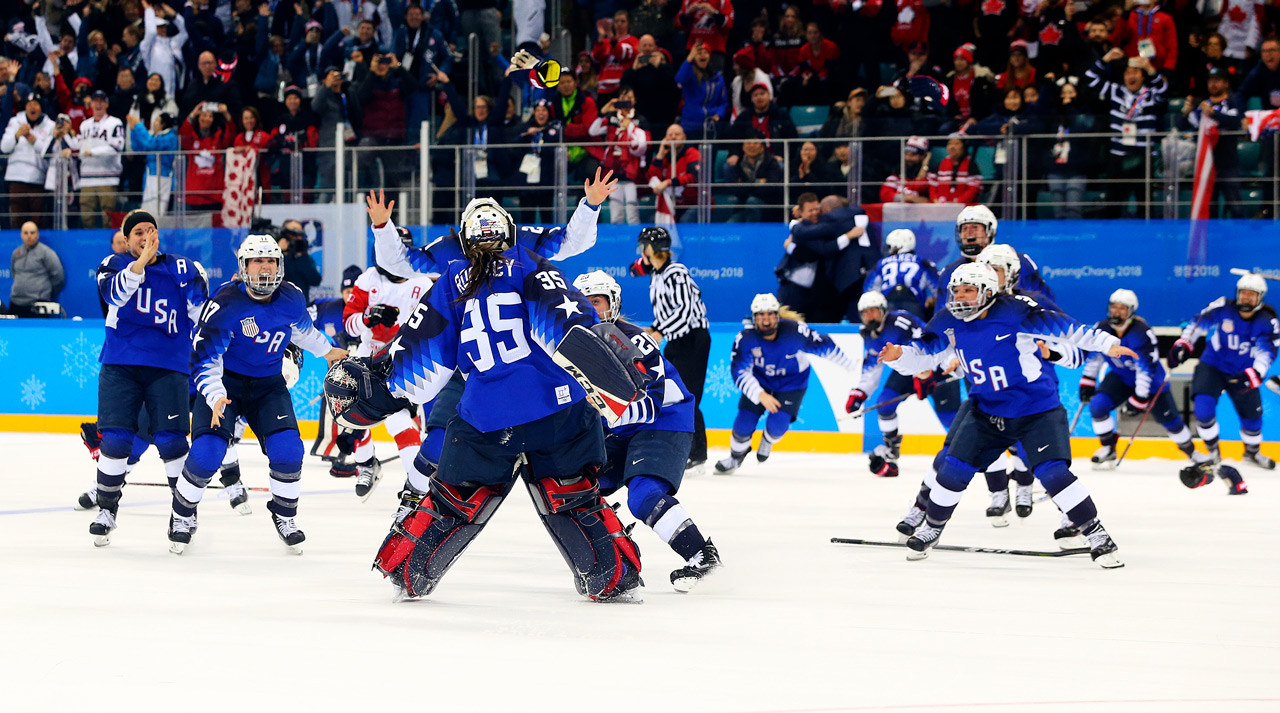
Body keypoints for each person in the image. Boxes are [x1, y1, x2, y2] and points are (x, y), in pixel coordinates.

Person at [327, 189, 647, 603]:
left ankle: (407, 570)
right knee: (572, 493)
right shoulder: (532, 264)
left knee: (454, 500)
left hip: (486, 413)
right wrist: (606, 357)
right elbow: (569, 322)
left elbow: (420, 365)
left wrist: (382, 388)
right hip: (560, 408)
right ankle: (614, 573)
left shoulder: (447, 282)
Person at [879, 263, 1134, 568]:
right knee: (953, 469)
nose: (960, 297)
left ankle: (1096, 534)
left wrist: (1110, 344)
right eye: (956, 290)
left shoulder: (1016, 313)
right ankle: (933, 526)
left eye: (968, 291)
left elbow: (1069, 330)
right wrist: (899, 358)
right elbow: (924, 353)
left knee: (1053, 473)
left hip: (1035, 410)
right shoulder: (949, 320)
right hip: (986, 409)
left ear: (988, 292)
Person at [177, 234, 347, 555]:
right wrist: (214, 395)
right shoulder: (223, 303)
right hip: (225, 385)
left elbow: (302, 332)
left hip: (268, 385)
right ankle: (182, 515)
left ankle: (285, 516)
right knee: (207, 453)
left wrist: (327, 351)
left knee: (288, 451)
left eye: (270, 260)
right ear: (243, 267)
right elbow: (205, 358)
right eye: (258, 260)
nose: (265, 267)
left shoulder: (291, 297)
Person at [573, 270, 723, 592]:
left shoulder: (633, 340)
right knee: (580, 489)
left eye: (596, 301)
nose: (589, 308)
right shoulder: (573, 348)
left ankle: (703, 556)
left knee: (643, 495)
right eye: (583, 302)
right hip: (622, 428)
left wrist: (604, 415)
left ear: (612, 304)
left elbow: (653, 400)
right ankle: (613, 559)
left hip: (663, 421)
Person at [88, 210, 207, 546]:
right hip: (120, 362)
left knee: (171, 441)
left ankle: (184, 515)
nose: (146, 236)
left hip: (169, 365)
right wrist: (139, 262)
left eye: (151, 230)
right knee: (115, 439)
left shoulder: (184, 269)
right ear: (126, 240)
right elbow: (115, 296)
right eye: (138, 232)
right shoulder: (112, 264)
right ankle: (107, 510)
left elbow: (203, 316)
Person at [716, 293, 859, 474]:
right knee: (743, 424)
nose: (765, 319)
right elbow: (739, 372)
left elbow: (825, 346)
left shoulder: (795, 332)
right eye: (760, 315)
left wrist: (851, 365)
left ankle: (767, 441)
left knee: (778, 425)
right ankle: (735, 458)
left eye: (769, 314)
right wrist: (760, 394)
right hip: (761, 383)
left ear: (777, 316)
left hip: (792, 383)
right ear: (754, 318)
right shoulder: (745, 339)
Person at [340, 227, 435, 499]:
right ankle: (367, 463)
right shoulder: (368, 279)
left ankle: (419, 487)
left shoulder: (424, 284)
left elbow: (433, 328)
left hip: (403, 363)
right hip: (366, 358)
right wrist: (368, 318)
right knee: (351, 418)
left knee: (400, 423)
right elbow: (349, 325)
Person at [1168, 273, 1278, 470]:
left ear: (1260, 297)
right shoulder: (1223, 307)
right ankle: (1213, 451)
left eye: (1252, 295)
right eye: (1243, 294)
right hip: (1213, 365)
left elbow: (1267, 353)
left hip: (1244, 372)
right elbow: (1196, 324)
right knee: (1203, 408)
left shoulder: (1266, 321)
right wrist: (1183, 344)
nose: (1246, 298)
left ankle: (1252, 453)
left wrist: (1254, 374)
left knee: (1252, 420)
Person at [1080, 289, 1199, 469]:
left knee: (1171, 422)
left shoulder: (1141, 332)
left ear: (1131, 311)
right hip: (1121, 378)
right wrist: (1088, 381)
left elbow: (1145, 370)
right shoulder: (1101, 328)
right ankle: (1108, 448)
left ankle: (1193, 453)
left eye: (1122, 308)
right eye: (1114, 307)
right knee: (1097, 405)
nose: (1117, 312)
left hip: (1151, 383)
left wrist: (1140, 398)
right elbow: (1094, 357)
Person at [849, 290, 959, 471]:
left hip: (938, 366)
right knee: (884, 404)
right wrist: (860, 392)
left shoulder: (901, 321)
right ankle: (892, 447)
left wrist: (935, 369)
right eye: (865, 313)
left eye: (874, 310)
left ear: (884, 310)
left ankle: (967, 451)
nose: (870, 316)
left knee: (949, 417)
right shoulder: (868, 334)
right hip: (907, 370)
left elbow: (931, 342)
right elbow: (872, 366)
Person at [629, 226, 711, 469]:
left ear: (649, 248)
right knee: (676, 393)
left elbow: (684, 311)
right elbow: (666, 310)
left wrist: (658, 330)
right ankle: (690, 449)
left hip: (692, 339)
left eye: (643, 246)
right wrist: (655, 328)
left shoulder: (676, 272)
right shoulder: (658, 274)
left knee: (688, 395)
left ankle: (698, 452)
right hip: (677, 339)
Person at [1085, 49, 1167, 218]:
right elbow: (1090, 78)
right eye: (1128, 72)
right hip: (1119, 156)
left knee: (1145, 205)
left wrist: (1150, 68)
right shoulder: (1116, 91)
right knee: (1113, 204)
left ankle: (1146, 239)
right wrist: (1106, 58)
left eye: (1135, 72)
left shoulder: (1150, 95)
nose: (1131, 76)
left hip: (1143, 157)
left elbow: (1163, 89)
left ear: (1142, 77)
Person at [937, 205, 1053, 301]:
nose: (969, 233)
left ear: (990, 231)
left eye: (975, 227)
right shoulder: (950, 271)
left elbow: (1045, 302)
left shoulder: (1019, 261)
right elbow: (942, 312)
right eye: (964, 228)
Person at [590, 87, 648, 224]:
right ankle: (618, 241)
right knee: (616, 214)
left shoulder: (640, 119)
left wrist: (629, 127)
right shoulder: (612, 118)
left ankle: (634, 241)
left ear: (634, 100)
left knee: (632, 213)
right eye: (623, 98)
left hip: (631, 172)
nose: (626, 101)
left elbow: (642, 147)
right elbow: (593, 131)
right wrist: (603, 111)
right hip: (613, 170)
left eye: (629, 98)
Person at [72, 89, 125, 228]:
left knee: (108, 217)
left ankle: (112, 248)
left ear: (107, 104)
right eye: (96, 101)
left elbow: (117, 147)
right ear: (91, 104)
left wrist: (93, 152)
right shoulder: (84, 125)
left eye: (102, 101)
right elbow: (78, 146)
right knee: (86, 218)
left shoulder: (115, 123)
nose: (98, 104)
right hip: (87, 179)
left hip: (108, 178)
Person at [2, 93, 56, 228]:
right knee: (17, 219)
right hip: (16, 177)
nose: (32, 107)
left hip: (38, 179)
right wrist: (16, 136)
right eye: (29, 104)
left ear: (41, 107)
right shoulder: (15, 122)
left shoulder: (50, 125)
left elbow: (49, 151)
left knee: (38, 220)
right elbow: (4, 147)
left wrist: (33, 140)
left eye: (36, 104)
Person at [864, 229, 939, 319]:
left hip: (888, 304)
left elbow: (868, 291)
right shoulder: (922, 262)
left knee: (888, 330)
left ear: (896, 246)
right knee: (916, 331)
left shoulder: (881, 263)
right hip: (914, 305)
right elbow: (938, 289)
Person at [9, 221, 65, 318]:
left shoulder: (46, 253)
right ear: (21, 235)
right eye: (26, 233)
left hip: (38, 305)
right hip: (16, 303)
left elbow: (58, 276)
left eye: (32, 232)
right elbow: (14, 273)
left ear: (37, 234)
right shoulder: (16, 253)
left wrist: (45, 293)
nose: (29, 236)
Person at [128, 111, 179, 216]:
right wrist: (133, 130)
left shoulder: (170, 137)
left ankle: (158, 231)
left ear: (163, 124)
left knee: (157, 211)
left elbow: (149, 144)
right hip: (150, 176)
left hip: (162, 178)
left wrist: (138, 126)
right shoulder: (157, 137)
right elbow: (138, 148)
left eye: (156, 120)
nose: (153, 123)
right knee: (147, 209)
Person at [277, 220, 322, 302]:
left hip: (301, 305)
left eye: (299, 234)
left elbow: (315, 280)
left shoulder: (304, 258)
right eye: (293, 234)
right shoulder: (276, 257)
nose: (297, 237)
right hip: (279, 303)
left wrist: (303, 257)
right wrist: (279, 252)